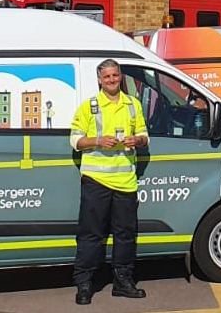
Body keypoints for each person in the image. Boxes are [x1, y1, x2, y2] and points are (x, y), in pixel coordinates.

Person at [70, 59, 149, 304]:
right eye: (107, 77)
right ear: (99, 80)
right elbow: (74, 140)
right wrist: (97, 141)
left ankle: (123, 282)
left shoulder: (133, 105)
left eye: (115, 75)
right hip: (97, 180)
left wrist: (137, 141)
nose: (112, 80)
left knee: (125, 234)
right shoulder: (89, 106)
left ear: (120, 76)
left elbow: (145, 136)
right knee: (90, 234)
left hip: (125, 181)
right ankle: (84, 284)